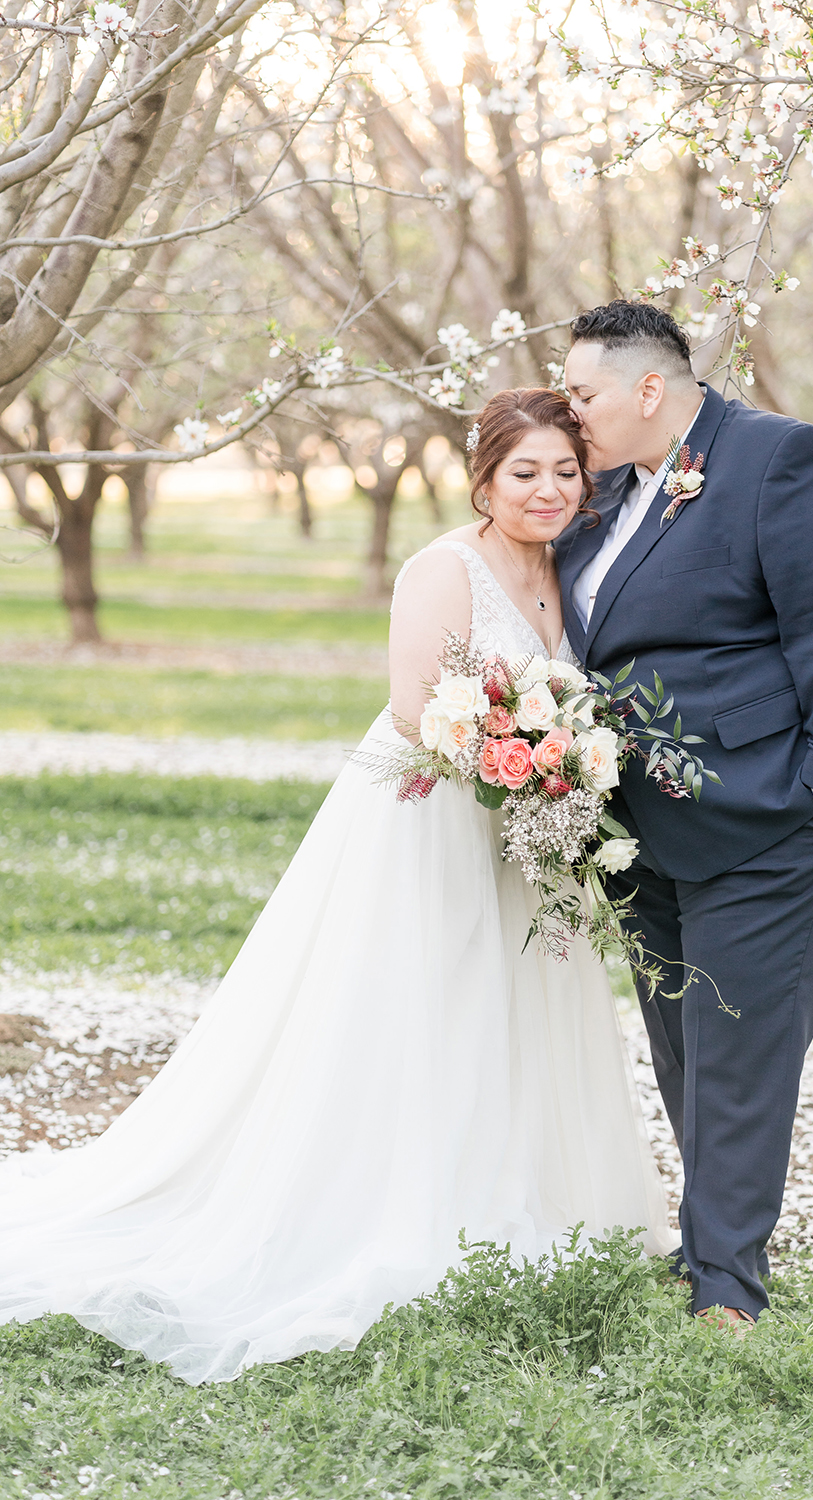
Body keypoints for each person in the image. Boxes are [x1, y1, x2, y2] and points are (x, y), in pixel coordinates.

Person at [0, 388, 671, 1386]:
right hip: (432, 816)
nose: (546, 490)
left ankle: (530, 1195)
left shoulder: (571, 566)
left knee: (522, 1004)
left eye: (565, 473)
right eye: (523, 472)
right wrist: (532, 749)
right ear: (483, 477)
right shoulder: (442, 567)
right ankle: (407, 1207)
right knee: (425, 1004)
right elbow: (415, 711)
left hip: (531, 828)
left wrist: (567, 767)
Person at [555, 301, 813, 1330]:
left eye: (583, 395)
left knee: (741, 1046)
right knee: (682, 1044)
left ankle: (727, 1298)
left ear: (648, 388)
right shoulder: (607, 492)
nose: (572, 416)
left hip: (772, 814)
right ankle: (710, 1245)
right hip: (640, 822)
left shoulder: (780, 460)